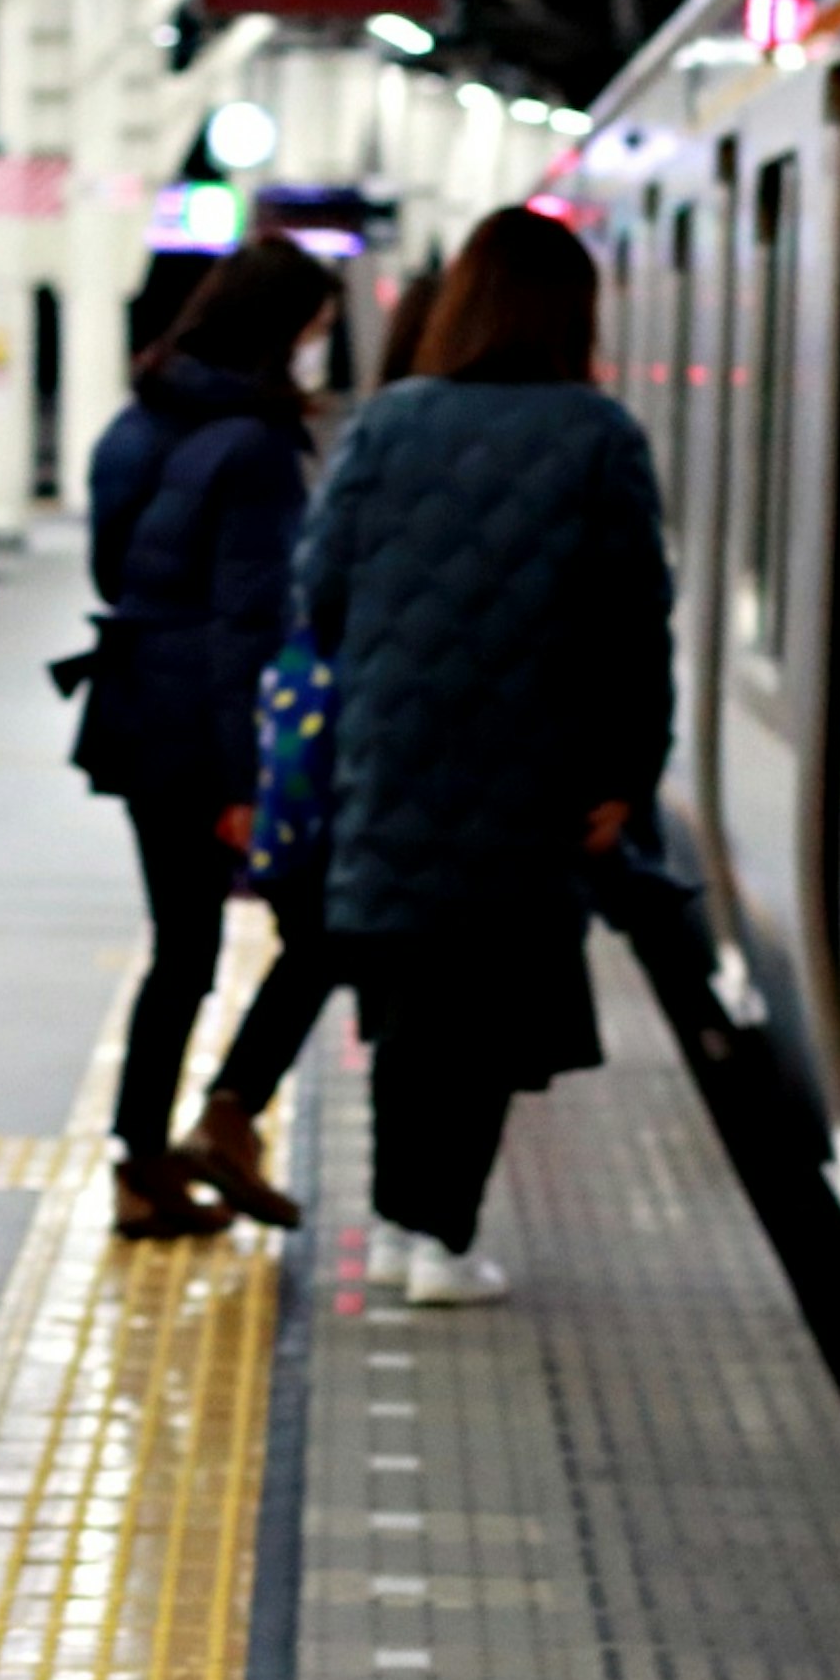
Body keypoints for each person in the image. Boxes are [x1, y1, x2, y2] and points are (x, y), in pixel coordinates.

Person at [298, 207, 672, 1305]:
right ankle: (443, 1240)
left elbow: (318, 596)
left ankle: (401, 1229)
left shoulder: (387, 423)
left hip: (395, 765)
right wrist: (624, 774)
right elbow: (631, 624)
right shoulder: (599, 436)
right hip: (532, 776)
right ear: (573, 313)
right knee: (488, 1014)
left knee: (410, 1014)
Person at [75, 238, 347, 1239]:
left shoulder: (135, 419)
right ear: (281, 329)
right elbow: (250, 621)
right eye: (315, 331)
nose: (319, 351)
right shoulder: (260, 447)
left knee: (182, 949)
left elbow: (113, 575)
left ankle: (143, 1171)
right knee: (325, 930)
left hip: (136, 710)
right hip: (213, 733)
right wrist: (251, 782)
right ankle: (230, 1112)